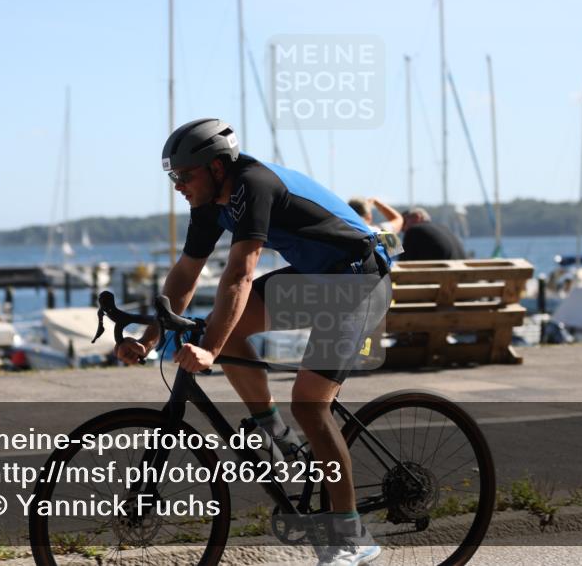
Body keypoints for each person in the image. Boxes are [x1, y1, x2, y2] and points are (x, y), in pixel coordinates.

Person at [116, 118, 391, 566]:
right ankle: (276, 434)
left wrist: (210, 350)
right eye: (173, 177)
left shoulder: (255, 185)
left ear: (217, 167)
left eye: (185, 175)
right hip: (315, 278)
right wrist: (149, 339)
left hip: (358, 282)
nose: (178, 186)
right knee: (222, 330)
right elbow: (185, 274)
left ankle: (352, 535)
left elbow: (241, 273)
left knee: (310, 404)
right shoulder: (209, 203)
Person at [399, 207, 467, 261]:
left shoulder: (415, 230)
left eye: (403, 222)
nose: (401, 228)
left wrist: (392, 233)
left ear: (417, 217)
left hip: (441, 274)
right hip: (461, 273)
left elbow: (403, 261)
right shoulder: (445, 229)